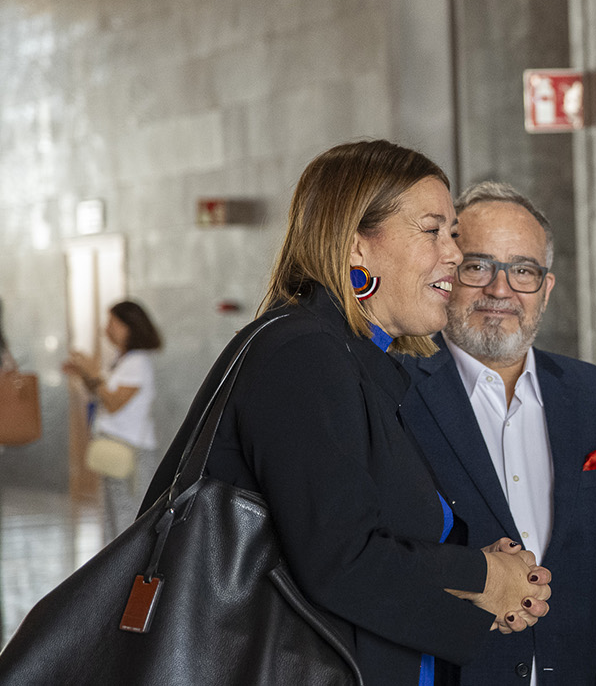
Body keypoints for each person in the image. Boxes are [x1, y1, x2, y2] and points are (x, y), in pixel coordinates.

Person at [142, 140, 552, 686]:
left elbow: (353, 539)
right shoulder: (302, 354)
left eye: (452, 233)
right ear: (356, 246)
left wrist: (480, 573)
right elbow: (341, 562)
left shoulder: (349, 358)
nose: (454, 253)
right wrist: (482, 576)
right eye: (432, 230)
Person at [398, 182, 596, 685]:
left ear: (546, 288)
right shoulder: (396, 392)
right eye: (478, 266)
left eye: (523, 270)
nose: (501, 290)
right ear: (447, 274)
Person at [64, 300, 163, 539]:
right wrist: (83, 373)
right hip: (115, 448)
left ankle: (125, 573)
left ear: (130, 326)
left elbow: (114, 403)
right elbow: (102, 393)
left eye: (113, 323)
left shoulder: (137, 362)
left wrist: (93, 372)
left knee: (127, 518)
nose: (107, 328)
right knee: (112, 518)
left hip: (130, 452)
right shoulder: (122, 360)